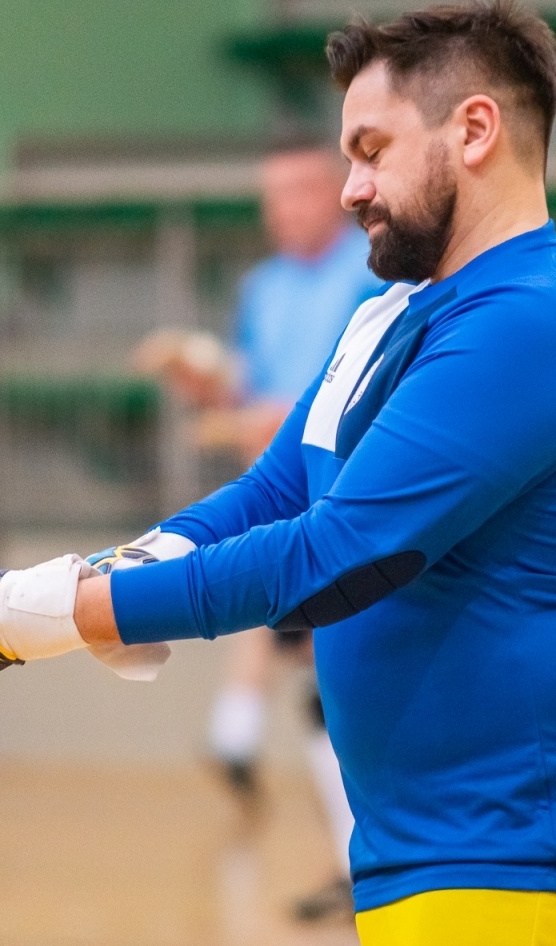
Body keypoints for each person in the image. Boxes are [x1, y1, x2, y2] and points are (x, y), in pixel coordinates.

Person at [0, 0, 556, 945]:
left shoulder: (534, 323)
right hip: (433, 849)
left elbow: (339, 554)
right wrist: (88, 578)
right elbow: (275, 491)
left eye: (372, 151)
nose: (351, 189)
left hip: (533, 859)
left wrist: (30, 621)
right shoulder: (391, 314)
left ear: (476, 131)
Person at [137, 142, 379, 921]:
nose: (283, 211)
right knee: (320, 680)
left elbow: (361, 391)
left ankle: (360, 854)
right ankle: (357, 861)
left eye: (297, 192)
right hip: (287, 495)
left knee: (334, 677)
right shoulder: (263, 287)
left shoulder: (371, 274)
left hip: (354, 498)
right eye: (271, 197)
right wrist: (206, 383)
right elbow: (250, 388)